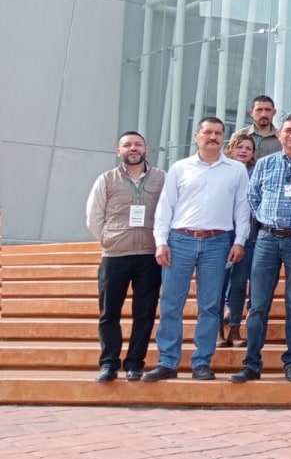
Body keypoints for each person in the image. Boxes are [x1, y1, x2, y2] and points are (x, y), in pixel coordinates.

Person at [147, 117, 250, 381]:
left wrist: (240, 240)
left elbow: (242, 208)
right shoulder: (180, 168)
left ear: (223, 137)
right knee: (171, 303)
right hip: (179, 240)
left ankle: (202, 362)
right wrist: (161, 242)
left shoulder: (236, 170)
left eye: (218, 133)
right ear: (197, 136)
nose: (213, 137)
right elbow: (165, 207)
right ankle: (167, 361)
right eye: (208, 132)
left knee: (211, 305)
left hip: (218, 242)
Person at [230, 114, 291, 384]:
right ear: (279, 134)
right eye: (288, 130)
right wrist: (268, 222)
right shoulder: (264, 164)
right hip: (266, 239)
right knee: (258, 305)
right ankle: (252, 364)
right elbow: (253, 199)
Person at [85, 130, 165, 382]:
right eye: (127, 145)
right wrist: (108, 239)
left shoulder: (161, 178)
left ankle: (134, 363)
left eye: (138, 144)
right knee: (109, 312)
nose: (133, 148)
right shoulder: (106, 179)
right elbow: (94, 217)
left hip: (149, 256)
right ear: (118, 151)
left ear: (146, 149)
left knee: (144, 313)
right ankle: (109, 364)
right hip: (115, 255)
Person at [220, 132, 257, 348]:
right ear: (231, 149)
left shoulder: (257, 172)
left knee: (240, 282)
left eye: (248, 148)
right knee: (218, 282)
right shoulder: (221, 170)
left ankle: (234, 328)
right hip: (221, 232)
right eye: (239, 147)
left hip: (248, 234)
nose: (243, 151)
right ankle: (217, 329)